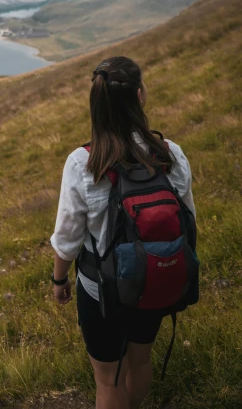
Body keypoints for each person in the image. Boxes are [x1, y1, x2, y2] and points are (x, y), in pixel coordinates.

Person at [50, 56, 196, 409]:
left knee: (107, 379)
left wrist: (58, 281)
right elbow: (188, 219)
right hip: (154, 278)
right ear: (140, 95)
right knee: (140, 361)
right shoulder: (169, 153)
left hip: (103, 291)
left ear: (97, 102)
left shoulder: (84, 162)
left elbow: (68, 238)